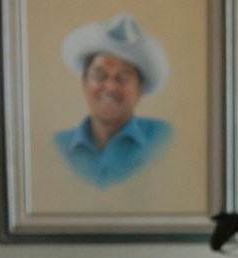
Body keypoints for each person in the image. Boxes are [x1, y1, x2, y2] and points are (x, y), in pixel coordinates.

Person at [54, 13, 172, 188]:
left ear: (140, 89)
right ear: (84, 83)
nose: (109, 87)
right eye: (100, 75)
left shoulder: (162, 140)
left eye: (123, 77)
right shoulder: (58, 147)